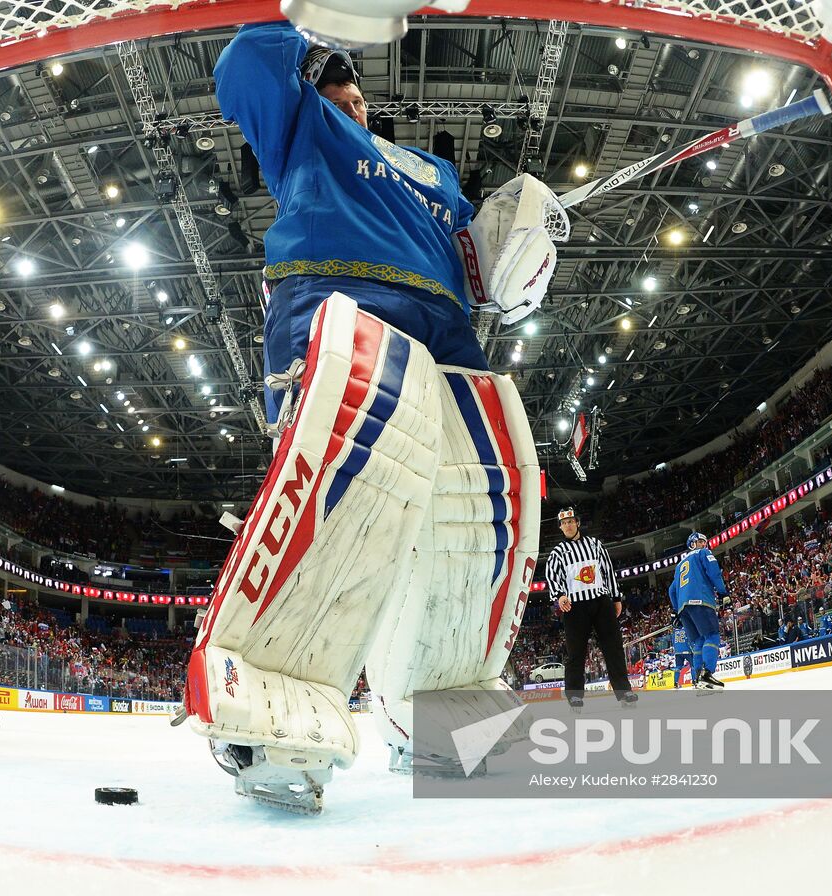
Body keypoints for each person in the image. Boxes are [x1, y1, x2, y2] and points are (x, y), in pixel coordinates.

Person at [182, 19, 563, 812]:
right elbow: (245, 65)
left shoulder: (433, 170)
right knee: (354, 481)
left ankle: (435, 707)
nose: (352, 101)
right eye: (336, 87)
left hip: (450, 330)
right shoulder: (302, 128)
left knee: (480, 501)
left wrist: (513, 244)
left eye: (357, 94)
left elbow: (480, 263)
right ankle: (274, 703)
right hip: (338, 300)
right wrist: (299, 22)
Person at [545, 508, 635, 707]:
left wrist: (616, 598)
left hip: (601, 602)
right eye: (564, 523)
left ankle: (624, 691)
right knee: (575, 652)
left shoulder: (595, 544)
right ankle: (575, 695)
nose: (567, 525)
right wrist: (559, 596)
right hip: (574, 607)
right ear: (560, 527)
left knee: (613, 648)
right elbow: (552, 577)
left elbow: (608, 571)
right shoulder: (557, 552)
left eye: (570, 521)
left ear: (577, 522)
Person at [668, 531, 728, 690]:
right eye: (701, 541)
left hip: (683, 608)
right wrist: (722, 592)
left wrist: (675, 610)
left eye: (704, 542)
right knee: (712, 635)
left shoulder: (679, 566)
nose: (704, 544)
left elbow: (672, 590)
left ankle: (699, 681)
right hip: (700, 600)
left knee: (699, 641)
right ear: (693, 544)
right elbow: (714, 572)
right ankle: (707, 676)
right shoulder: (703, 553)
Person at [671, 621, 693, 689]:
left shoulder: (674, 632)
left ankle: (675, 683)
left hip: (677, 652)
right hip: (687, 651)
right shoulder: (687, 629)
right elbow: (690, 639)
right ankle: (695, 681)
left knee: (678, 668)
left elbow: (673, 642)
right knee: (693, 666)